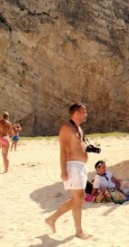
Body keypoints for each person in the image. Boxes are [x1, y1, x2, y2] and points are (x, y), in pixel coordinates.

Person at [45, 103, 92, 240]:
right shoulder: (66, 128)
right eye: (84, 112)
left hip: (81, 167)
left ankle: (52, 219)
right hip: (73, 166)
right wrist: (63, 171)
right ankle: (78, 231)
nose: (86, 114)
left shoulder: (78, 128)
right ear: (76, 113)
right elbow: (63, 150)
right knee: (79, 198)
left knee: (79, 199)